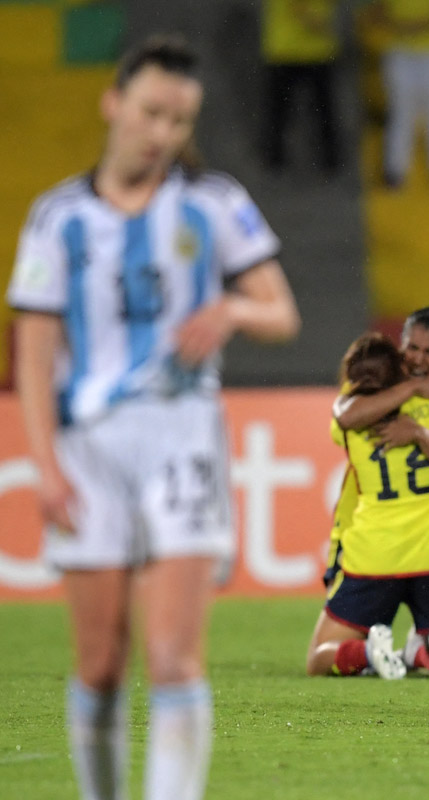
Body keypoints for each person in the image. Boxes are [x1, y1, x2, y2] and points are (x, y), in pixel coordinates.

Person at [6, 35, 301, 800]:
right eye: (150, 113)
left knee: (172, 658)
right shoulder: (57, 218)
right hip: (89, 447)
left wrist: (231, 309)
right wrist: (44, 465)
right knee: (101, 663)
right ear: (114, 104)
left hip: (181, 436)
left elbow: (280, 312)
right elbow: (32, 353)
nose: (162, 133)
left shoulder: (214, 203)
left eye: (179, 120)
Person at [306, 306, 429, 680]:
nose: (419, 359)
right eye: (413, 349)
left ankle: (369, 654)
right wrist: (422, 418)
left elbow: (344, 415)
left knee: (319, 658)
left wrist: (414, 421)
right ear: (400, 347)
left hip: (373, 555)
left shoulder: (362, 405)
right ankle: (427, 654)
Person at [365, 0, 429, 189]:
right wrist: (402, 26)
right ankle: (395, 171)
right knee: (400, 111)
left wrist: (420, 26)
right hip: (400, 52)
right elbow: (375, 13)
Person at [260, 0, 342, 173]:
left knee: (324, 110)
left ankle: (331, 160)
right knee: (279, 111)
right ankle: (274, 159)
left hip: (315, 51)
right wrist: (316, 22)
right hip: (286, 51)